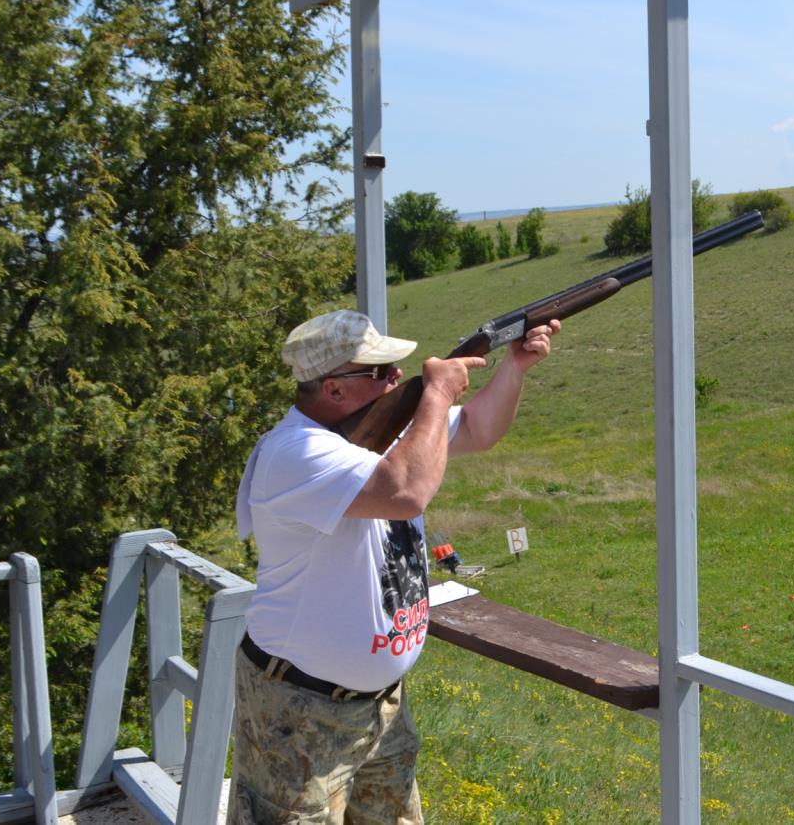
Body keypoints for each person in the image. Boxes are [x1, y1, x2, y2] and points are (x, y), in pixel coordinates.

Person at [228, 308, 559, 825]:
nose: (398, 376)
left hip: (381, 706)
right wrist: (438, 394)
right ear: (334, 388)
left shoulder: (383, 430)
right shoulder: (294, 452)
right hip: (298, 710)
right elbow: (406, 492)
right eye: (381, 372)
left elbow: (479, 429)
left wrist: (514, 367)